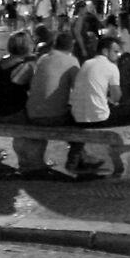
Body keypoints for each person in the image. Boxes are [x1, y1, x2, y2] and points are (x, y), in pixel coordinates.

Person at [18, 30, 81, 174]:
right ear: (71, 47)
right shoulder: (71, 61)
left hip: (32, 113)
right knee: (82, 120)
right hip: (52, 117)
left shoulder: (43, 59)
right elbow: (78, 89)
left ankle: (82, 157)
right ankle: (76, 158)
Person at [69, 33, 121, 175]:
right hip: (98, 119)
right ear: (105, 51)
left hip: (77, 117)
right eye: (115, 51)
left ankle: (77, 157)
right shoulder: (111, 67)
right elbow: (117, 96)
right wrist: (111, 101)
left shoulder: (86, 63)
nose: (118, 55)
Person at [0, 31, 35, 170]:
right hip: (14, 113)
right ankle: (28, 160)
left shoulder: (3, 62)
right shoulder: (26, 66)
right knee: (37, 121)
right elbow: (34, 91)